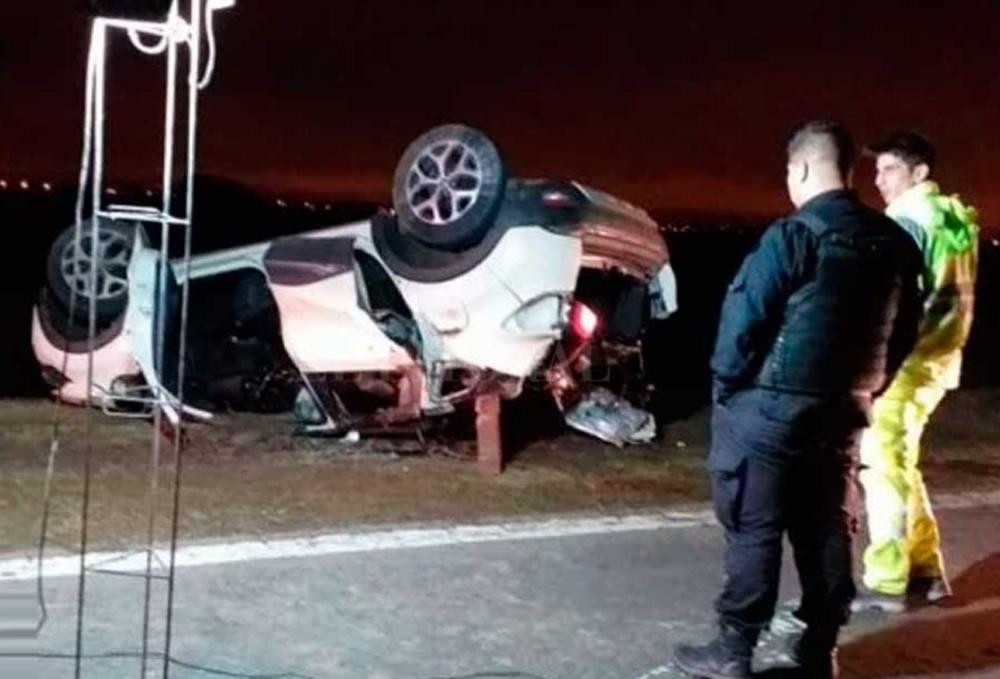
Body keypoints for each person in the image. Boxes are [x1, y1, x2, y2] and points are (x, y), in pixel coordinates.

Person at [673, 120, 922, 679]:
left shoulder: (795, 236)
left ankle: (735, 650)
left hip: (771, 410)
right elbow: (905, 330)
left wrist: (729, 389)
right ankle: (821, 647)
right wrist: (870, 386)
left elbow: (741, 325)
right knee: (827, 524)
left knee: (754, 524)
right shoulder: (896, 243)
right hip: (843, 410)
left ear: (802, 169)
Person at [852, 132, 979, 613]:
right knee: (899, 462)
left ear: (918, 173)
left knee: (881, 466)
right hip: (942, 359)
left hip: (907, 361)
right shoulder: (952, 216)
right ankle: (925, 571)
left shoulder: (907, 220)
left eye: (889, 170)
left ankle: (888, 579)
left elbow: (891, 300)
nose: (879, 180)